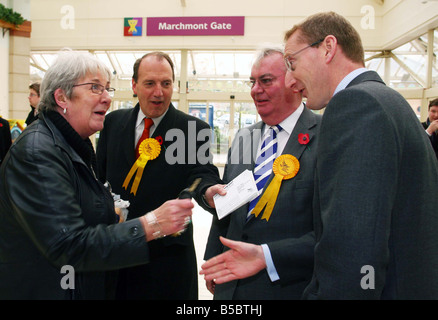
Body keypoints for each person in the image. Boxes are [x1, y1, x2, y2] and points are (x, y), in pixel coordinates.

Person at [0, 50, 194, 300]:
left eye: (107, 89)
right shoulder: (39, 153)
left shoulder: (70, 146)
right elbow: (68, 245)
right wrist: (150, 224)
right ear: (62, 97)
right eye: (95, 88)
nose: (106, 99)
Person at [282, 11, 438, 299]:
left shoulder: (356, 105)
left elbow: (354, 245)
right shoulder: (389, 101)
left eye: (292, 62)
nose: (290, 81)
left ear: (327, 48)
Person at [96, 51, 222, 300]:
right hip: (117, 257)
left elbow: (202, 173)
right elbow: (99, 178)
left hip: (167, 262)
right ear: (134, 85)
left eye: (166, 83)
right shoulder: (111, 123)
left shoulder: (193, 130)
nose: (159, 92)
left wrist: (208, 191)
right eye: (150, 83)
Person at [200, 47, 321, 300]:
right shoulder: (245, 138)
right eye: (252, 82)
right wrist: (213, 259)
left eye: (266, 81)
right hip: (230, 285)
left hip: (289, 288)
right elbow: (228, 212)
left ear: (295, 83)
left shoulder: (325, 137)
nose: (255, 89)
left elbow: (329, 232)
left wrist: (268, 256)